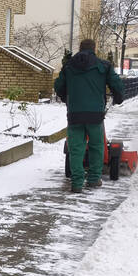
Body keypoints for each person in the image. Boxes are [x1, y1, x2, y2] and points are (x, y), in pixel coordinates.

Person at [54, 39, 125, 193]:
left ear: (80, 49)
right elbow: (116, 84)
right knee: (96, 146)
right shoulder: (104, 65)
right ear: (94, 49)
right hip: (95, 114)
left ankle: (77, 183)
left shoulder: (68, 66)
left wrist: (66, 98)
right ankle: (93, 179)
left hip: (74, 114)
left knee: (76, 148)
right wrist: (119, 97)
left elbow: (58, 86)